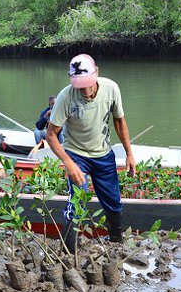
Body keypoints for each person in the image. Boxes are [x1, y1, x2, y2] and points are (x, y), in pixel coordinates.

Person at [45, 54, 136, 251]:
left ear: (97, 73)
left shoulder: (111, 89)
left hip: (103, 154)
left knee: (113, 202)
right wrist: (69, 164)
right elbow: (51, 135)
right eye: (80, 85)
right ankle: (70, 251)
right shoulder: (65, 96)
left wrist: (129, 153)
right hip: (76, 154)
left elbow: (119, 121)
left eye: (88, 83)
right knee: (77, 202)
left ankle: (116, 241)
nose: (85, 90)